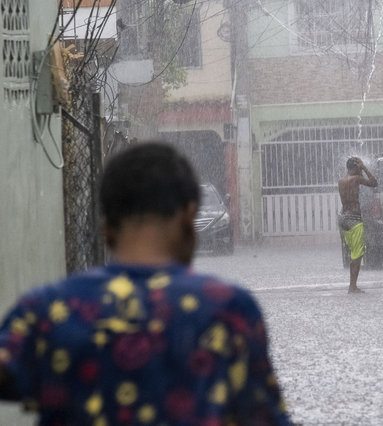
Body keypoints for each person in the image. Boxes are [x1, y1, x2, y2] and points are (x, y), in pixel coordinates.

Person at [0, 142, 292, 425]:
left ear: (106, 227)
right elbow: (262, 414)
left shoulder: (48, 309)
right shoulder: (229, 309)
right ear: (189, 215)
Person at [338, 157, 378, 294]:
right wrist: (365, 168)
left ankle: (352, 285)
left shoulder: (341, 181)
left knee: (353, 254)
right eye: (359, 168)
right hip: (354, 218)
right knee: (358, 255)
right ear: (355, 168)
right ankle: (352, 286)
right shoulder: (356, 179)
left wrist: (358, 168)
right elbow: (374, 183)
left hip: (343, 219)